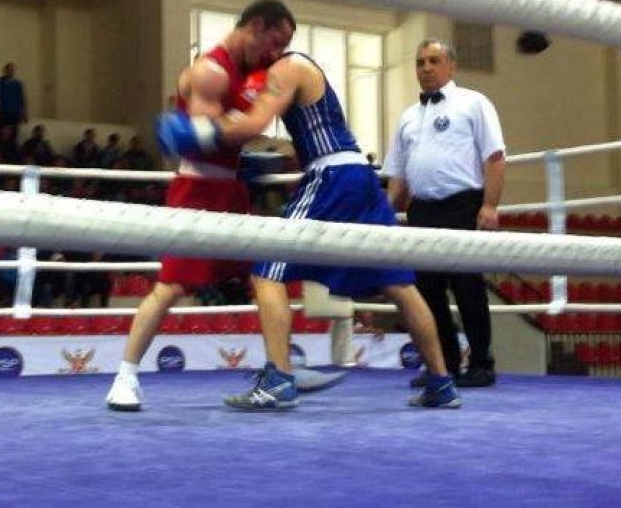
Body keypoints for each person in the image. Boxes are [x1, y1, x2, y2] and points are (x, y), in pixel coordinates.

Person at [158, 46, 461, 410]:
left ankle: (278, 381)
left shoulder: (287, 67)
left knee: (266, 271)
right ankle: (441, 382)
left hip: (330, 176)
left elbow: (253, 123)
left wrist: (199, 132)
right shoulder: (297, 72)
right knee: (398, 283)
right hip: (360, 175)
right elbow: (286, 136)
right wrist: (261, 160)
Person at [106, 0, 338, 412]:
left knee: (268, 275)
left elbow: (236, 130)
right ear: (254, 26)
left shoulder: (252, 71)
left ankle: (282, 367)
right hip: (197, 192)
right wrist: (246, 137)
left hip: (232, 190)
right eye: (275, 40)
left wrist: (257, 154)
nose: (276, 52)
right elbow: (206, 135)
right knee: (171, 287)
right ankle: (125, 378)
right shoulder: (211, 72)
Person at [383, 38, 506, 389]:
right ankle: (444, 365)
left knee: (468, 288)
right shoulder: (408, 116)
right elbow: (398, 176)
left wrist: (490, 205)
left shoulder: (474, 102)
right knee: (428, 291)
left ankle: (481, 363)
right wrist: (384, 215)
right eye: (420, 62)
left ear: (452, 66)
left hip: (463, 204)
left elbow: (495, 156)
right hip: (421, 210)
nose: (426, 68)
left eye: (434, 60)